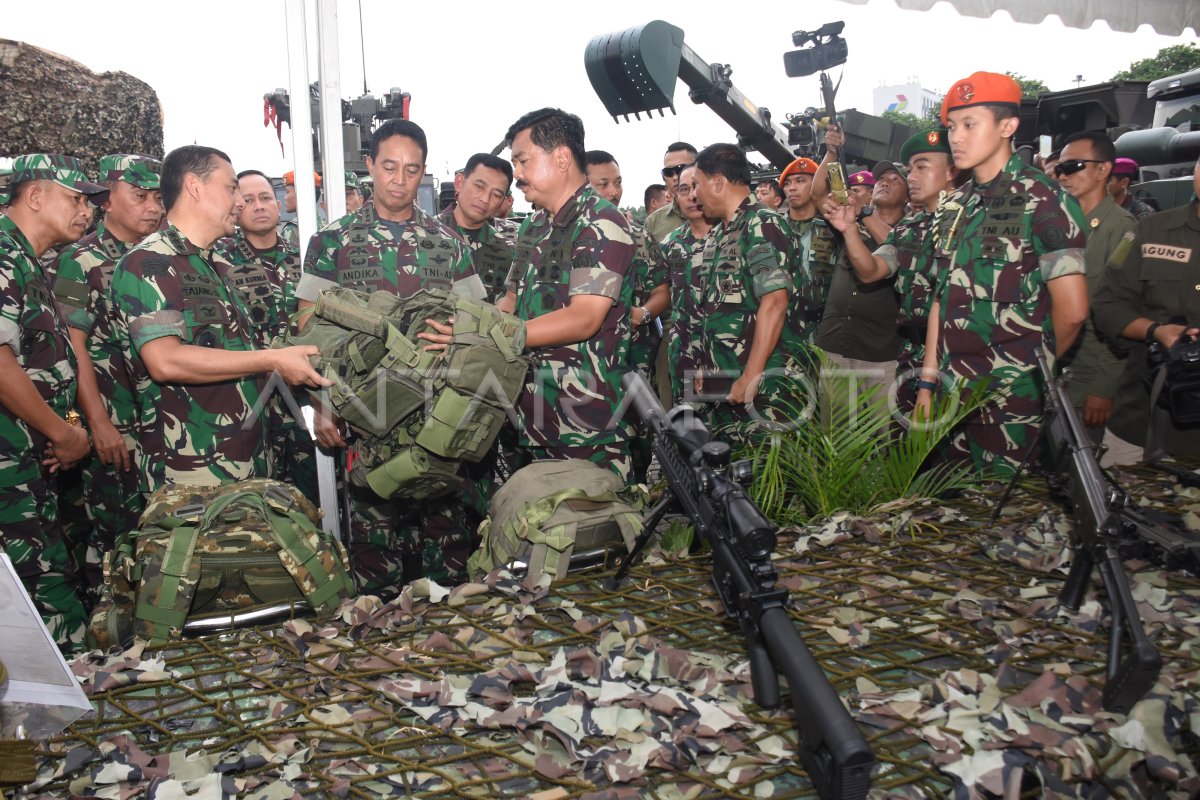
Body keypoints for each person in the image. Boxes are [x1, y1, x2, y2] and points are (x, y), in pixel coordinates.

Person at [298, 119, 484, 593]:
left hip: (438, 416)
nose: (400, 180)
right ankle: (379, 653)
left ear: (424, 173)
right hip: (366, 415)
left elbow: (475, 326)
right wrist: (320, 406)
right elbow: (308, 330)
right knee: (373, 549)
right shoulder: (332, 243)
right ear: (370, 166)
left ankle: (446, 649)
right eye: (389, 167)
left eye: (412, 169)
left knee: (448, 545)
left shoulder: (450, 244)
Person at [111, 145, 330, 495]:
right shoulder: (150, 263)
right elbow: (165, 360)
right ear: (195, 187)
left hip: (245, 464)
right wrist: (272, 359)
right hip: (192, 474)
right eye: (231, 188)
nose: (240, 202)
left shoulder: (215, 267)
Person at [915, 72, 1088, 478]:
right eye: (952, 126)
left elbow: (1074, 311)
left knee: (1002, 519)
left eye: (969, 125)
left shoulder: (1043, 199)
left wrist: (1028, 380)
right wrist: (926, 384)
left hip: (1010, 404)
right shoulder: (956, 205)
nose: (956, 137)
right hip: (950, 394)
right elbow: (942, 297)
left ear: (1007, 127)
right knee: (948, 517)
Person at [0, 154, 106, 651]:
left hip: (27, 465)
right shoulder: (2, 252)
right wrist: (64, 432)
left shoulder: (28, 261)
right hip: (10, 468)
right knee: (42, 599)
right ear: (36, 196)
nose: (86, 210)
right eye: (75, 197)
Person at [494, 108, 636, 478]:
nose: (517, 175)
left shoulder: (601, 222)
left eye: (523, 161)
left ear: (561, 158)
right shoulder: (534, 227)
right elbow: (510, 300)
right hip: (534, 412)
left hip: (584, 419)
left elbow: (584, 317)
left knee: (587, 527)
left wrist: (498, 335)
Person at [54, 154, 163, 602]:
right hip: (116, 424)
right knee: (121, 542)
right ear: (109, 199)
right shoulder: (81, 261)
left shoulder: (162, 256)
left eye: (158, 197)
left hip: (164, 426)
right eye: (139, 196)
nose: (152, 207)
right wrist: (98, 423)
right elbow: (72, 345)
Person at [823, 129, 958, 417]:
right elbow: (872, 270)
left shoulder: (973, 219)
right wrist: (849, 231)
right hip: (912, 357)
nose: (911, 176)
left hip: (962, 359)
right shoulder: (911, 229)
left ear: (951, 171)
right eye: (909, 169)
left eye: (921, 167)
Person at [690, 143, 811, 439]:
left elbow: (775, 301)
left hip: (766, 388)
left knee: (769, 477)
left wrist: (751, 375)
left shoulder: (763, 225)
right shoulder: (719, 234)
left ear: (717, 183)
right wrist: (708, 367)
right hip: (726, 386)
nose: (694, 195)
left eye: (697, 185)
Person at [1092, 155, 1200, 461]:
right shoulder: (1149, 230)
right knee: (1118, 505)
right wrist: (1155, 331)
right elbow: (1107, 302)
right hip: (1140, 421)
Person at [585, 149, 668, 482]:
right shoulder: (561, 236)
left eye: (617, 183)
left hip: (631, 363)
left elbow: (663, 291)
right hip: (580, 371)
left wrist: (643, 313)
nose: (614, 192)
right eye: (603, 184)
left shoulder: (637, 235)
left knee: (635, 447)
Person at [1054, 132, 1136, 446]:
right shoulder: (1056, 226)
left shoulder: (1122, 229)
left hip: (1087, 378)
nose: (1063, 175)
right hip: (1052, 372)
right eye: (1059, 168)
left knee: (1081, 477)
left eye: (1073, 166)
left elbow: (1122, 313)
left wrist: (1103, 387)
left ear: (1103, 170)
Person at [814, 158, 909, 422]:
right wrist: (831, 152)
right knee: (835, 435)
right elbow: (818, 194)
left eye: (895, 180)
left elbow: (894, 244)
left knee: (883, 440)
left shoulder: (914, 228)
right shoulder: (850, 220)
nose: (884, 183)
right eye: (880, 179)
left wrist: (864, 215)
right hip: (836, 343)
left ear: (908, 193)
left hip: (881, 353)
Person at [662, 165, 713, 401]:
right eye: (683, 189)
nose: (691, 196)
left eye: (696, 187)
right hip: (682, 357)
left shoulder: (733, 236)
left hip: (727, 355)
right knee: (688, 431)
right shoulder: (669, 244)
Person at [437, 153, 516, 303]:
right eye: (479, 187)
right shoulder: (422, 235)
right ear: (459, 182)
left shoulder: (507, 253)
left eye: (496, 195)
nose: (485, 199)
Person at [779, 156, 838, 333]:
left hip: (824, 330)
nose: (792, 188)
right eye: (787, 183)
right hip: (781, 328)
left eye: (800, 180)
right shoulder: (772, 228)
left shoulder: (835, 229)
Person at [644, 142, 696, 242]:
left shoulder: (717, 214)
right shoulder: (653, 222)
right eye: (668, 172)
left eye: (681, 168)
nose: (675, 177)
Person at [279, 170, 323, 249]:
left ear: (301, 194)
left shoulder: (293, 229)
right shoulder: (325, 224)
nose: (285, 197)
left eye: (287, 192)